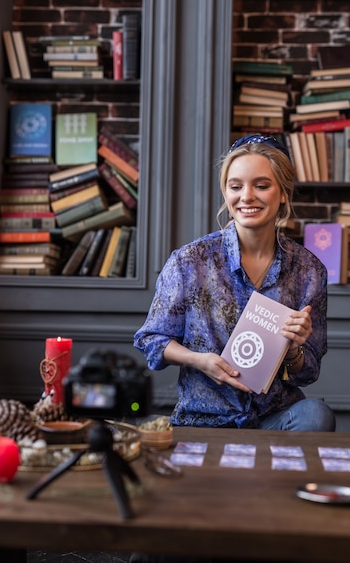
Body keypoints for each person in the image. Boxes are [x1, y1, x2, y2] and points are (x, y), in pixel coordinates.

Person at [134, 134, 335, 432]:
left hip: (274, 419)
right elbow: (150, 340)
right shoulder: (190, 261)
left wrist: (294, 349)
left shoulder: (308, 270)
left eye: (262, 186)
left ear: (282, 193)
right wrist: (199, 361)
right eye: (236, 186)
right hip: (205, 420)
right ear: (226, 193)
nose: (247, 196)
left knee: (317, 415)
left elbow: (307, 373)